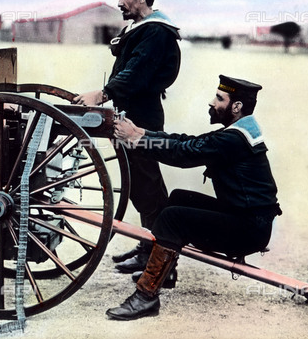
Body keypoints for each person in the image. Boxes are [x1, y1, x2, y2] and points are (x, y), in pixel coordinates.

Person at [106, 75, 282, 320]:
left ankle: (145, 297)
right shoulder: (238, 132)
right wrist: (142, 132)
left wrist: (137, 140)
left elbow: (184, 153)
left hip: (249, 231)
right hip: (246, 219)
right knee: (178, 198)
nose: (212, 103)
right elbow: (188, 141)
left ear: (237, 107)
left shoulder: (232, 139)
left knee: (172, 218)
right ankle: (164, 272)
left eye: (219, 99)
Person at [74, 0, 181, 273]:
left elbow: (135, 73)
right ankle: (152, 246)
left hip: (142, 116)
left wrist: (102, 93)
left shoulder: (156, 32)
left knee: (146, 187)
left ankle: (162, 262)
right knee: (141, 186)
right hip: (132, 111)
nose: (118, 2)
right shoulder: (140, 28)